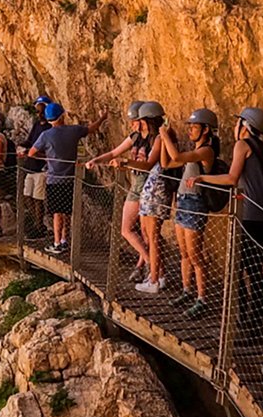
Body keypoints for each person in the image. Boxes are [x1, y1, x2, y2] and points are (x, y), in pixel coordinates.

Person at [186, 107, 263, 325]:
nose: (235, 128)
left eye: (238, 123)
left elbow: (232, 178)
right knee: (255, 270)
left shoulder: (242, 145)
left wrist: (202, 179)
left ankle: (242, 320)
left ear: (245, 126)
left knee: (236, 269)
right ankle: (253, 321)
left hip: (250, 216)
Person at [86, 102, 154, 280]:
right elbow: (114, 152)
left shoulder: (155, 139)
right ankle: (146, 265)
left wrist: (125, 163)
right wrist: (96, 160)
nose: (131, 124)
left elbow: (148, 165)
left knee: (129, 230)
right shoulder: (135, 137)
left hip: (148, 186)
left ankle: (150, 266)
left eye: (134, 120)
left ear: (143, 120)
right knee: (138, 232)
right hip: (137, 185)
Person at [161, 108, 219, 319]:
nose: (190, 131)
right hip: (184, 202)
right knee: (184, 252)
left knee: (195, 255)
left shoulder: (206, 151)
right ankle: (187, 291)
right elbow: (166, 162)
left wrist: (165, 136)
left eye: (194, 127)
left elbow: (175, 155)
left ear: (206, 130)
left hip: (195, 204)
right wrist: (163, 140)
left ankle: (202, 298)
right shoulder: (194, 152)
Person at [29, 102, 106, 255]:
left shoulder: (45, 136)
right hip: (71, 178)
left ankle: (57, 243)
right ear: (62, 116)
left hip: (54, 179)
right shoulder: (74, 131)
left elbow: (31, 153)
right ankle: (65, 240)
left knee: (57, 213)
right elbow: (91, 128)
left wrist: (46, 157)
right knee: (67, 211)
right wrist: (102, 118)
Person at [131, 102, 177, 295]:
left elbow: (151, 164)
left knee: (153, 237)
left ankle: (154, 279)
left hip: (156, 189)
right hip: (155, 188)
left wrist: (127, 162)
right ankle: (158, 276)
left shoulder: (159, 138)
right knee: (150, 235)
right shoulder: (162, 136)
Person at [17, 95, 54, 237]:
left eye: (41, 110)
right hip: (31, 166)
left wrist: (30, 151)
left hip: (41, 167)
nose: (39, 114)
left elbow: (47, 148)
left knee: (38, 198)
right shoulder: (37, 125)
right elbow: (30, 140)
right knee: (27, 195)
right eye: (37, 111)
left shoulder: (50, 128)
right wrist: (21, 146)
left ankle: (39, 227)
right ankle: (37, 223)